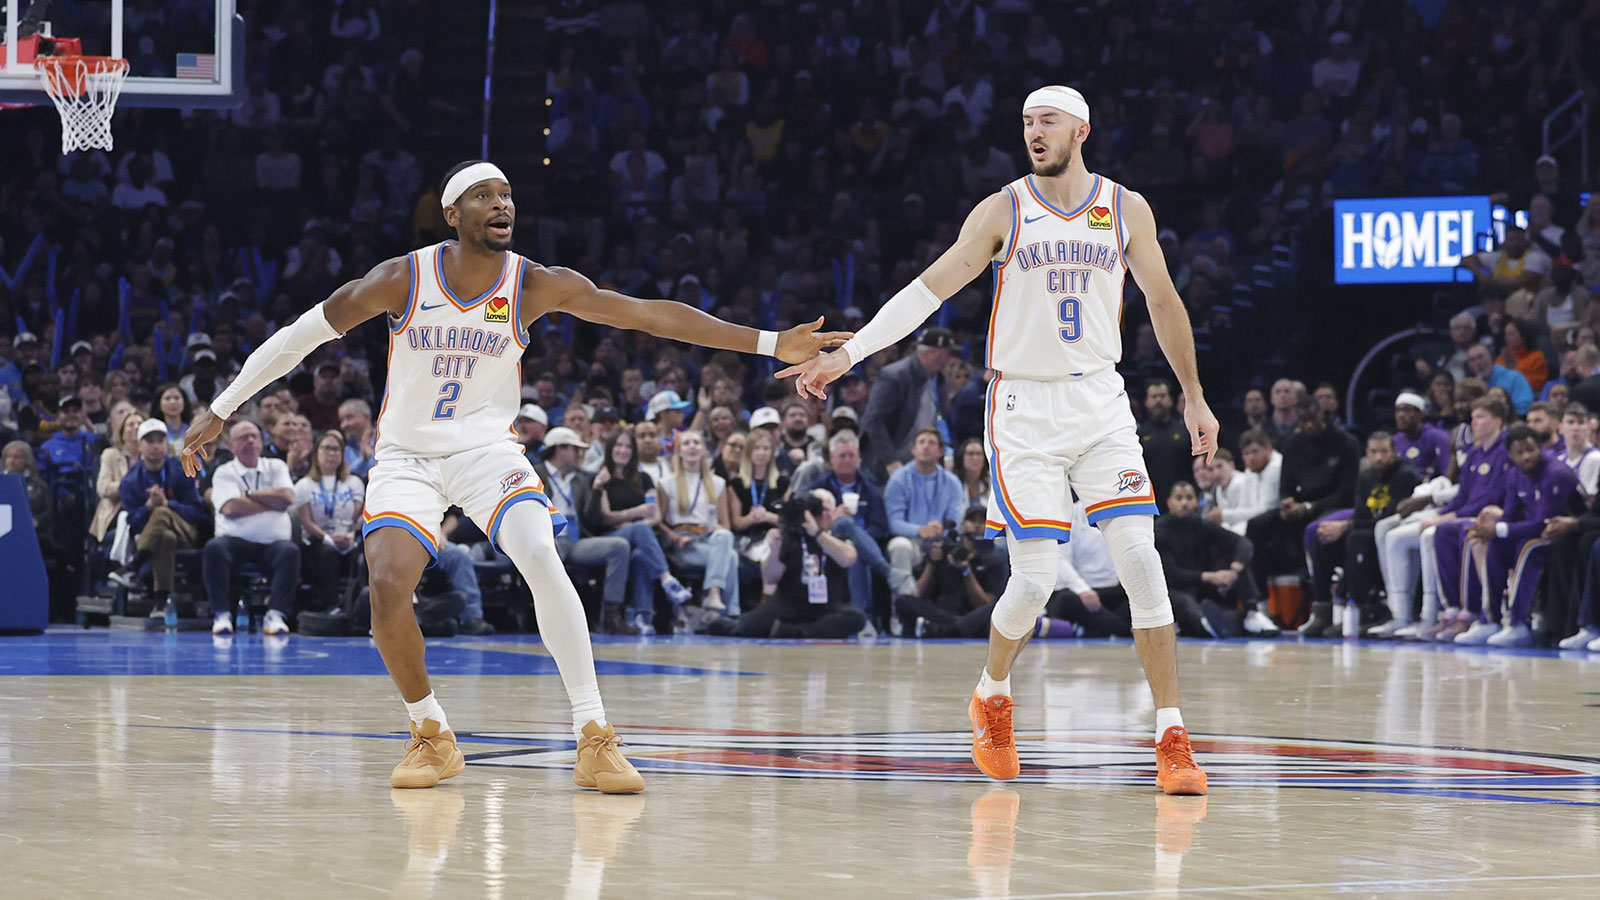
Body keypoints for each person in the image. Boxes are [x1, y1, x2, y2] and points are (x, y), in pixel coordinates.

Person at [182, 159, 847, 791]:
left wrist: (767, 343)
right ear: (452, 213)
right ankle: (431, 733)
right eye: (484, 195)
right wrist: (220, 406)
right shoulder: (402, 279)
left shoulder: (532, 282)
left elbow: (647, 313)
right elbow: (302, 335)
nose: (501, 204)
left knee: (539, 552)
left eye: (506, 195)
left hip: (486, 453)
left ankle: (594, 735)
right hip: (407, 457)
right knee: (386, 588)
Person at [780, 85, 1215, 794]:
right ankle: (991, 694)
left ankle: (1171, 735)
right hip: (1024, 405)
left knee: (1141, 558)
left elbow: (1164, 302)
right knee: (1036, 579)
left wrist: (1194, 396)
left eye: (1046, 121)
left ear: (1082, 129)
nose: (1033, 133)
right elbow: (928, 290)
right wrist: (849, 353)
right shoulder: (1004, 209)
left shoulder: (1125, 207)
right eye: (1025, 123)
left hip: (1100, 397)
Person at [1458, 425, 1580, 647]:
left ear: (1539, 448)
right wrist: (1493, 530)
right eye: (1520, 452)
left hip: (1566, 534)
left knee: (1528, 547)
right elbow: (1510, 515)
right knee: (1491, 543)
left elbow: (1542, 522)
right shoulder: (1514, 474)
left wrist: (1499, 529)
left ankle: (1518, 623)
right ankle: (1490, 620)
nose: (1526, 456)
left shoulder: (1556, 473)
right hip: (1535, 531)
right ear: (1510, 455)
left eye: (1531, 450)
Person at [1304, 432, 1419, 636]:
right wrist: (1343, 528)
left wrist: (1347, 526)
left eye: (1384, 451)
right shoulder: (1366, 476)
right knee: (1322, 538)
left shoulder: (1405, 475)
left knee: (1356, 538)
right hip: (1368, 531)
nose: (1378, 457)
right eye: (1374, 452)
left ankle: (1362, 610)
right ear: (1367, 452)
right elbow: (1361, 514)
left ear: (1394, 452)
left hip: (1391, 534)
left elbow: (1390, 518)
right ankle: (1323, 609)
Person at [585, 427, 693, 635]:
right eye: (619, 445)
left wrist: (629, 521)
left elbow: (655, 516)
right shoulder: (602, 477)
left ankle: (644, 616)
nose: (623, 450)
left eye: (627, 446)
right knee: (641, 528)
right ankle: (667, 579)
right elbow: (605, 516)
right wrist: (636, 514)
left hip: (641, 538)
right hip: (610, 537)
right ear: (610, 449)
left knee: (640, 555)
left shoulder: (644, 479)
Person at [204, 420, 301, 636]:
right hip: (234, 541)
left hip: (273, 543)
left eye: (254, 436)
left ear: (261, 442)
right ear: (231, 446)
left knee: (290, 552)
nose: (250, 441)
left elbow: (287, 498)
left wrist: (248, 496)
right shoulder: (224, 471)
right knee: (214, 548)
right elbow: (230, 507)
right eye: (243, 437)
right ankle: (221, 614)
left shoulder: (276, 466)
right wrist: (270, 502)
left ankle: (276, 614)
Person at [535, 427, 636, 634]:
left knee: (619, 547)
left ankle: (611, 615)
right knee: (550, 551)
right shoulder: (535, 475)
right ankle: (551, 616)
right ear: (560, 449)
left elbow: (590, 519)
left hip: (575, 540)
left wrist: (597, 490)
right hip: (548, 538)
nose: (580, 455)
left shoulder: (580, 479)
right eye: (575, 450)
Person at [730, 491, 866, 639]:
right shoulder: (789, 538)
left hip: (827, 607)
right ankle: (719, 623)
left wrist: (817, 533)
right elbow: (770, 578)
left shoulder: (838, 539)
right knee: (746, 627)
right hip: (789, 604)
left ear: (833, 513)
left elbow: (848, 559)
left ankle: (798, 632)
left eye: (824, 510)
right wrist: (775, 551)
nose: (820, 515)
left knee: (855, 618)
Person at [114, 419, 206, 614]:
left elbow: (197, 513)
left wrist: (167, 505)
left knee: (163, 512)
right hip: (152, 537)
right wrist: (148, 507)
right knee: (165, 537)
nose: (155, 446)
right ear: (139, 445)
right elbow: (133, 523)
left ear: (167, 444)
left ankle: (133, 566)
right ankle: (161, 602)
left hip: (186, 531)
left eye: (160, 440)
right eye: (149, 441)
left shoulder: (182, 471)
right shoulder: (130, 480)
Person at [654, 429, 741, 618]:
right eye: (687, 443)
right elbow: (658, 520)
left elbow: (726, 524)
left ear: (703, 450)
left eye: (696, 443)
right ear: (679, 451)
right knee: (731, 557)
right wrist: (674, 536)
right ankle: (729, 612)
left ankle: (714, 595)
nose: (692, 447)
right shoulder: (666, 483)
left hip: (709, 538)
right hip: (683, 543)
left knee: (725, 537)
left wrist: (717, 528)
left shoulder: (718, 483)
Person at [1155, 482, 1258, 637]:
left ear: (1196, 501)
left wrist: (1235, 569)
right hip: (1174, 589)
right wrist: (1210, 577)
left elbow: (1242, 543)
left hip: (1203, 589)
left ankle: (1252, 613)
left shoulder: (1202, 524)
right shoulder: (1160, 530)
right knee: (1185, 603)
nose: (1184, 503)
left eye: (1189, 498)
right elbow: (1170, 574)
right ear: (1169, 502)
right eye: (1179, 498)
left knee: (1235, 558)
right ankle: (1208, 624)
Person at [860, 327, 956, 481]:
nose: (950, 358)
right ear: (934, 352)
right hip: (885, 467)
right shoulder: (894, 376)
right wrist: (890, 460)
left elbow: (941, 419)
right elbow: (873, 421)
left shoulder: (939, 379)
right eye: (947, 353)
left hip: (920, 466)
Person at [294, 429, 366, 612]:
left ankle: (364, 607)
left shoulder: (354, 483)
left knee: (364, 553)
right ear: (316, 453)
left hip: (348, 538)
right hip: (316, 540)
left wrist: (350, 535)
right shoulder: (304, 485)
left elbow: (358, 517)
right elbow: (306, 521)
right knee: (326, 553)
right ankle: (332, 607)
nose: (331, 454)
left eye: (336, 449)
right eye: (326, 448)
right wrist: (328, 537)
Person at [90, 408, 144, 543]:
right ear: (122, 433)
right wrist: (131, 485)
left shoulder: (153, 456)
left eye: (140, 424)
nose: (136, 427)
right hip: (117, 512)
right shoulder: (111, 454)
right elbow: (103, 489)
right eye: (131, 425)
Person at [952, 437, 991, 511]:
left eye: (979, 454)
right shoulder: (952, 482)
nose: (975, 458)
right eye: (970, 454)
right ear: (962, 457)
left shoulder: (993, 481)